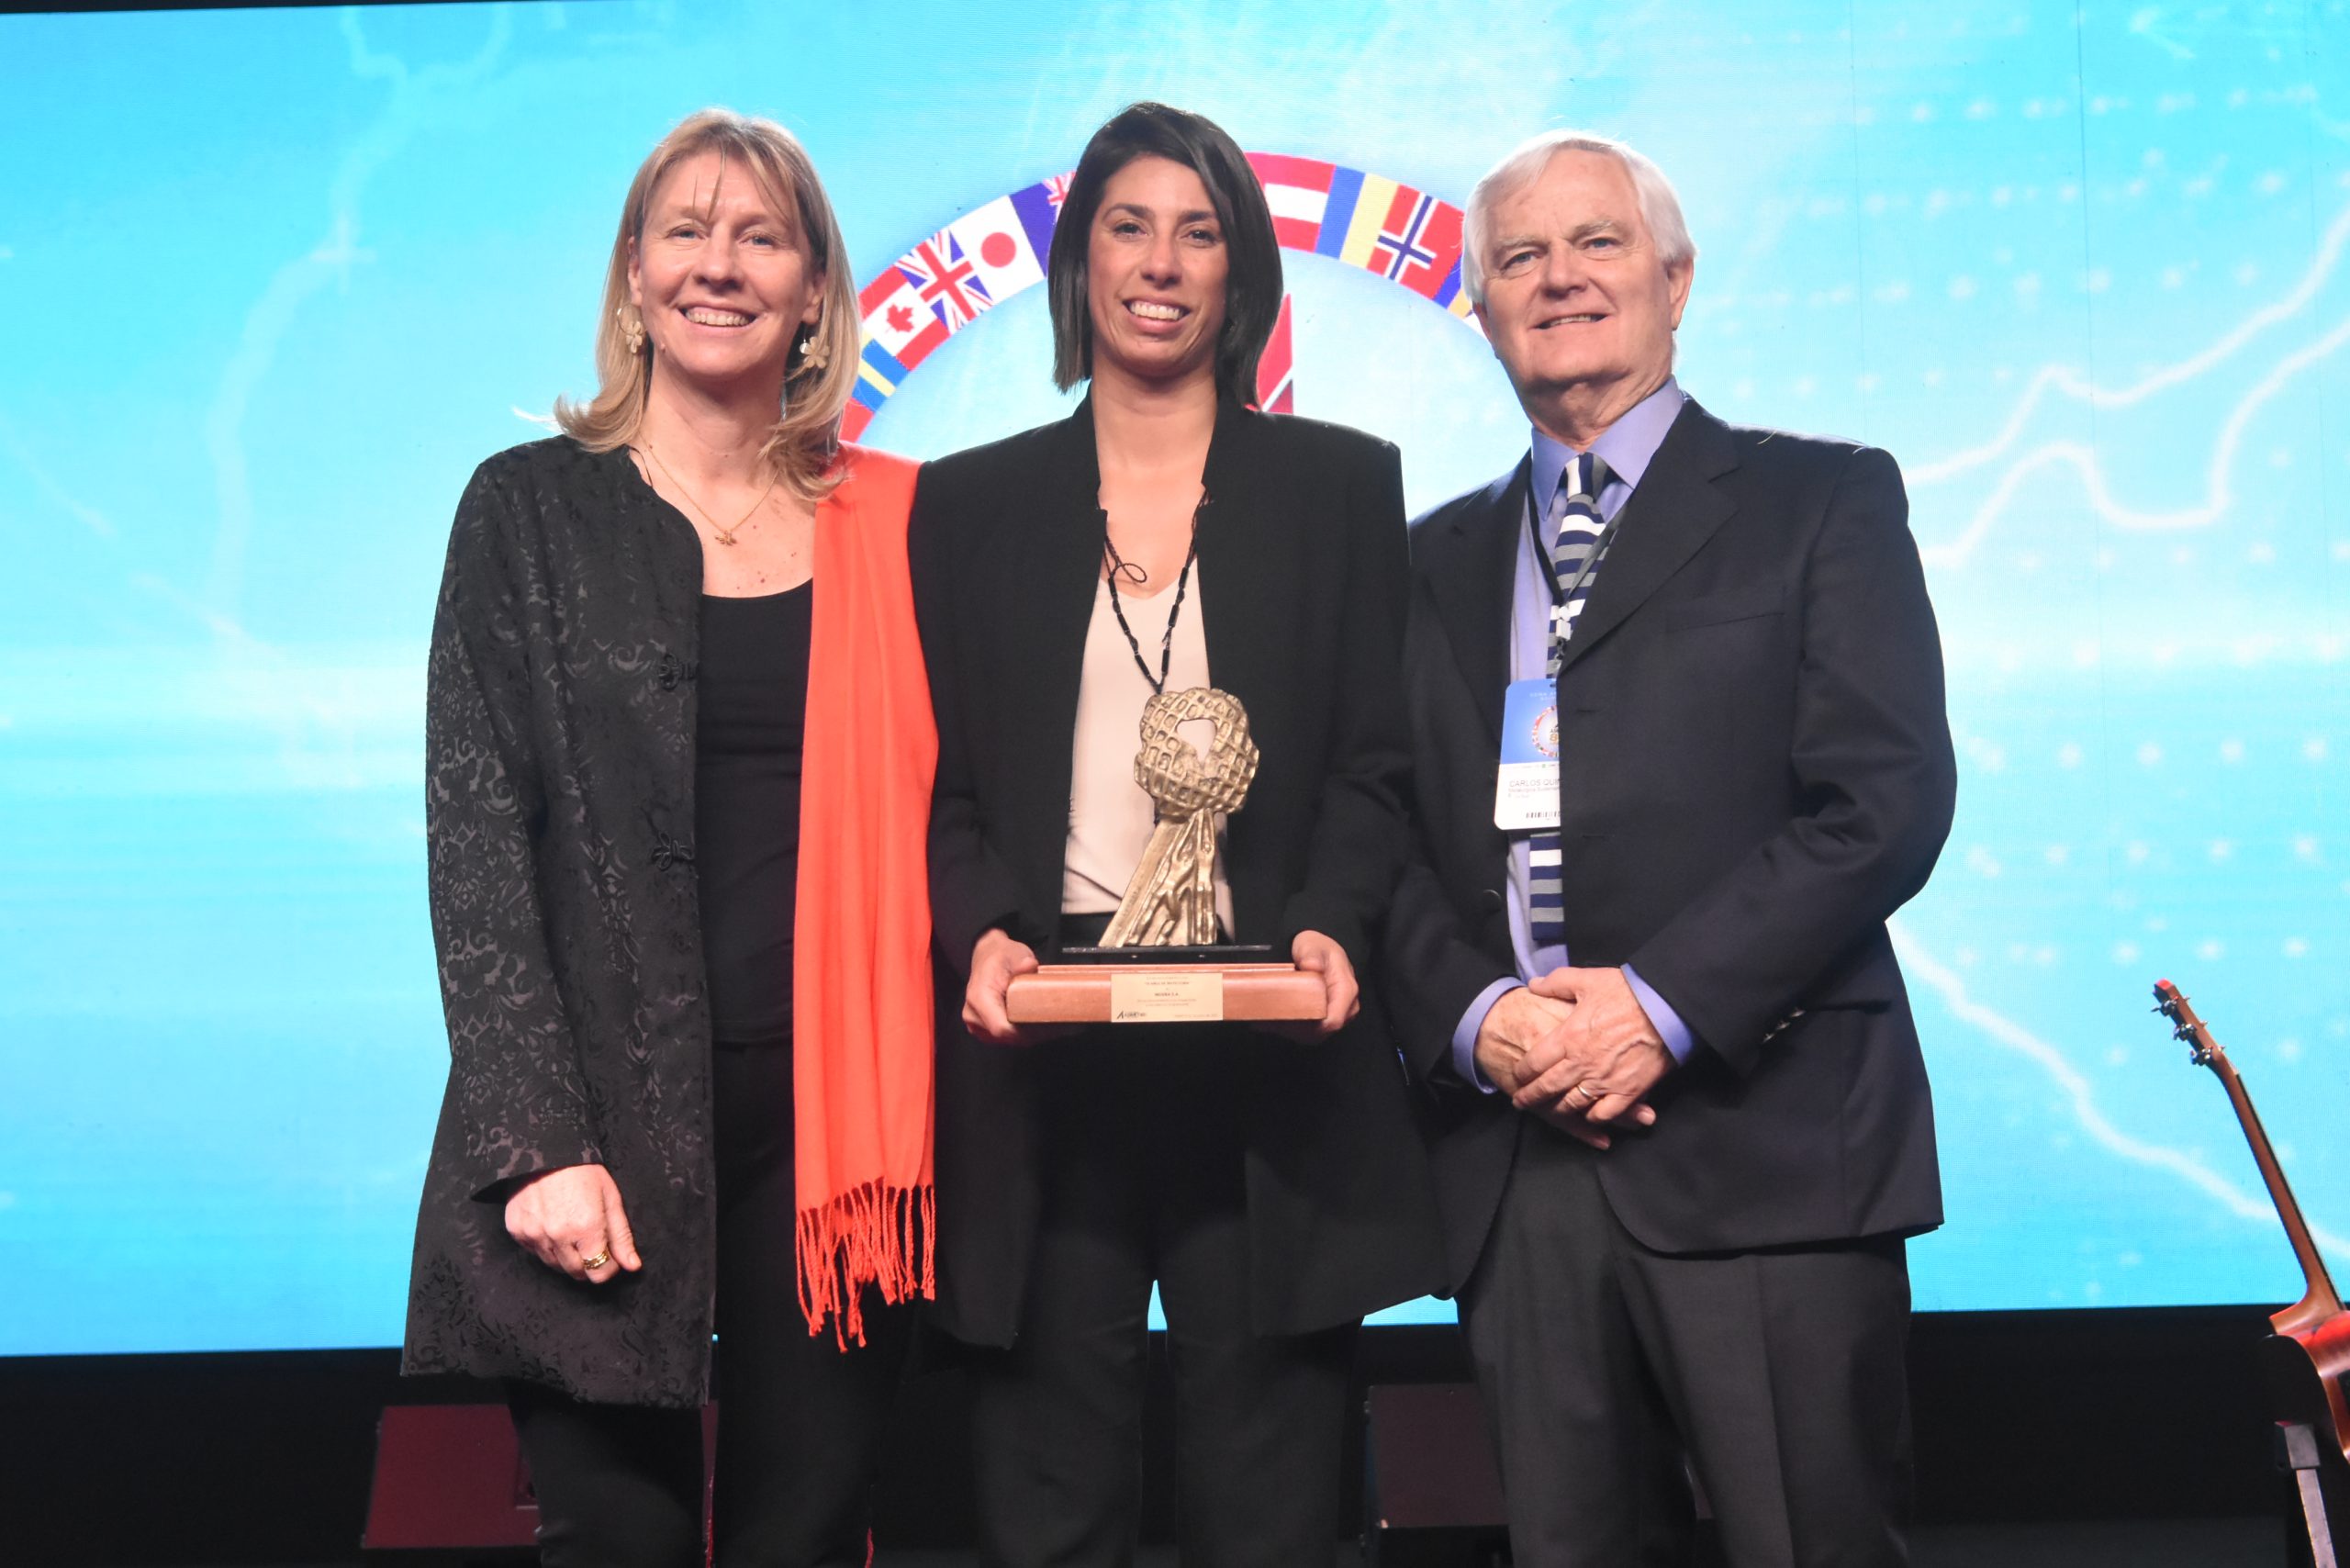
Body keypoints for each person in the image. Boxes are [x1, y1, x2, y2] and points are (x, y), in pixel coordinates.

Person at [1384, 129, 1957, 1567]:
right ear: (1482, 308)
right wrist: (1482, 1020)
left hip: (1766, 1149)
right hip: (1519, 1164)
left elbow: (1883, 801)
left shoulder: (1820, 501)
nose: (1560, 278)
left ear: (1677, 279)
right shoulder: (1424, 560)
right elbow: (1375, 840)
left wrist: (1656, 1007)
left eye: (1598, 242)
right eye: (1521, 257)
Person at [909, 101, 1442, 1567]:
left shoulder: (1340, 486)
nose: (1161, 263)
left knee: (1274, 1505)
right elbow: (941, 787)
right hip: (1044, 1046)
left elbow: (1373, 766)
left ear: (1241, 270)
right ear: (1079, 261)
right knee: (1048, 1500)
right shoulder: (966, 505)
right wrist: (981, 932)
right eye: (1129, 228)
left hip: (1268, 1044)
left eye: (1199, 233)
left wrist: (1330, 924)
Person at [403, 108, 936, 1568]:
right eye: (686, 232)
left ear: (814, 290)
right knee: (616, 1541)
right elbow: (476, 842)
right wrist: (537, 1146)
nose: (720, 265)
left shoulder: (898, 524)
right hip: (597, 1122)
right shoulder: (527, 511)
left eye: (761, 237)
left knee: (806, 1536)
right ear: (634, 274)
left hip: (833, 1135)